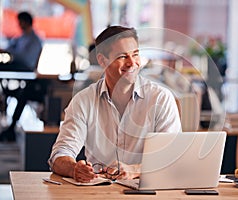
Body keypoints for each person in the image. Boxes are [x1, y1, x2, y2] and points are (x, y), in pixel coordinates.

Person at [48, 25, 182, 182]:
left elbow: (172, 158)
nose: (132, 63)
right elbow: (59, 154)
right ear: (102, 61)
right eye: (122, 57)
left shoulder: (161, 98)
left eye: (135, 54)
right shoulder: (83, 101)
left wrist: (134, 170)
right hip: (99, 192)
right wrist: (74, 169)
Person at [0, 11, 44, 142]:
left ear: (24, 22)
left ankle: (11, 128)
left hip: (26, 71)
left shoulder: (35, 40)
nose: (18, 25)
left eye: (20, 22)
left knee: (22, 95)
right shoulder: (21, 37)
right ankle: (9, 127)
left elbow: (26, 59)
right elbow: (11, 47)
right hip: (18, 70)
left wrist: (9, 51)